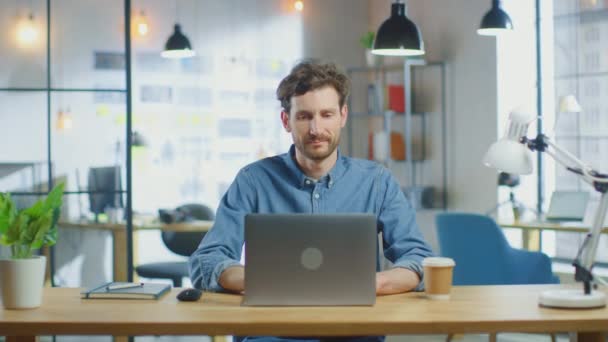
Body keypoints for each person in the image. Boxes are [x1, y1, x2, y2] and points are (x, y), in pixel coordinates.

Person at [189, 60, 434, 342]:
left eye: (326, 114)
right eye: (304, 116)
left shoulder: (377, 182)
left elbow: (419, 260)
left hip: (354, 335)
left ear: (342, 115)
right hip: (271, 335)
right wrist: (261, 282)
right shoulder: (253, 180)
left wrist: (372, 284)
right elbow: (205, 261)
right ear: (286, 121)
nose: (316, 128)